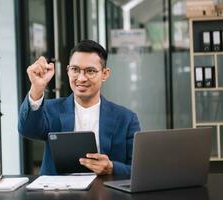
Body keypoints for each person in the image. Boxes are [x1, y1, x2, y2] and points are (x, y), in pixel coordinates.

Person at [18, 40, 140, 176]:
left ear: (105, 74)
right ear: (68, 71)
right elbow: (27, 130)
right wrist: (36, 88)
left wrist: (111, 168)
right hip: (59, 193)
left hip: (105, 191)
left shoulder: (126, 119)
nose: (81, 78)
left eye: (90, 71)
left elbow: (138, 169)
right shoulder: (51, 109)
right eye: (75, 70)